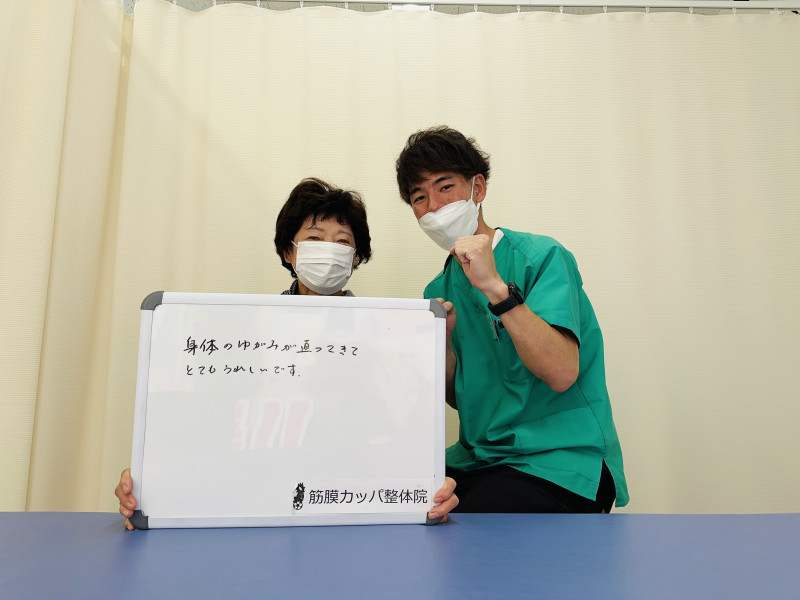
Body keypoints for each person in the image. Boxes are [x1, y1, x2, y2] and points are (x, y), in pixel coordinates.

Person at [116, 177, 458, 528]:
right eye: (314, 239)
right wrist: (153, 482)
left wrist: (429, 487)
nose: (329, 250)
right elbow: (204, 429)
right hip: (259, 506)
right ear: (288, 252)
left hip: (353, 508)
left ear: (354, 259)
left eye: (343, 242)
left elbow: (407, 431)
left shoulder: (388, 335)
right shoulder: (242, 333)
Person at [395, 126, 629, 513]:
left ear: (478, 188)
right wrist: (446, 347)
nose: (433, 206)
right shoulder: (438, 290)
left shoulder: (541, 258)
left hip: (558, 459)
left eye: (445, 186)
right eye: (420, 197)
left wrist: (497, 290)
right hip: (483, 460)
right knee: (402, 490)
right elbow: (460, 398)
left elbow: (562, 373)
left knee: (464, 518)